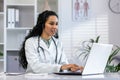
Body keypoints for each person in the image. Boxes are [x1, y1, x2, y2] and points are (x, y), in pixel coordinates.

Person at [19, 10, 83, 73]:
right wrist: (60, 67)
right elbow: (35, 66)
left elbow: (64, 63)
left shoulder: (58, 43)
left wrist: (71, 68)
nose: (55, 27)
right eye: (51, 24)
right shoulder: (31, 42)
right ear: (42, 24)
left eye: (56, 24)